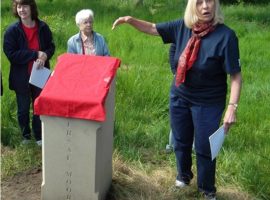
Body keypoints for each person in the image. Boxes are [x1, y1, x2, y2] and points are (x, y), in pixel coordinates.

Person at [112, 0, 242, 199]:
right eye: (200, 2)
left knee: (205, 146)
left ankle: (207, 189)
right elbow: (153, 28)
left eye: (210, 2)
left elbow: (235, 76)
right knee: (180, 141)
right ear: (192, 6)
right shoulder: (182, 27)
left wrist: (232, 106)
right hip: (180, 96)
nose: (206, 7)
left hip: (208, 102)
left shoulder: (226, 36)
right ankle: (183, 177)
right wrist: (130, 20)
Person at [3, 0, 55, 146]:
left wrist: (45, 54)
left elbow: (51, 46)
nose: (22, 10)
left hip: (40, 74)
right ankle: (26, 136)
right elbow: (11, 54)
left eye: (25, 6)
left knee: (39, 106)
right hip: (21, 77)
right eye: (19, 7)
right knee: (23, 109)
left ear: (31, 8)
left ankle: (39, 136)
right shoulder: (12, 31)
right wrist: (34, 54)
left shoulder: (43, 27)